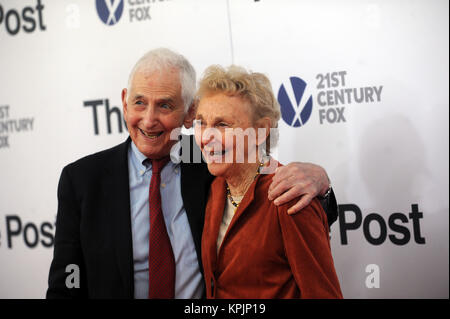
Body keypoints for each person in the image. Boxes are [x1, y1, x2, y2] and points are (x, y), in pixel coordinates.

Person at [47, 48, 338, 299]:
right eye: (139, 102)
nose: (149, 120)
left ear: (188, 113)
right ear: (124, 101)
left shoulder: (212, 164)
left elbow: (268, 183)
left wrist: (321, 181)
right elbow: (65, 287)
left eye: (164, 105)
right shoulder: (82, 180)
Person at [195, 65, 343, 298]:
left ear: (261, 131)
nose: (205, 137)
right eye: (201, 123)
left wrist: (322, 180)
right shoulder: (214, 187)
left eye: (222, 125)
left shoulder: (289, 195)